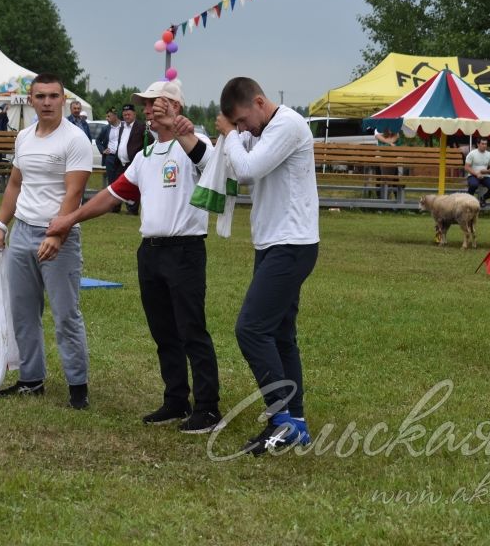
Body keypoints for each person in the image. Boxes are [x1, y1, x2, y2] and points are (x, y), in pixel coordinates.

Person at [48, 79, 223, 433]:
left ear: (175, 107)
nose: (147, 110)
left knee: (192, 329)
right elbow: (112, 195)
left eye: (154, 104)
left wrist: (180, 129)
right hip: (151, 251)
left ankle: (207, 407)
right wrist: (71, 218)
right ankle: (176, 400)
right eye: (145, 105)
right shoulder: (145, 156)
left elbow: (209, 164)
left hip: (185, 249)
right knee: (163, 331)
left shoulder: (195, 144)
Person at [214, 76, 319, 456]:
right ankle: (298, 423)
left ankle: (281, 421)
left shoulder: (288, 124)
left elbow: (246, 170)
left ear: (260, 102)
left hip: (292, 244)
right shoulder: (260, 129)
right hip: (275, 243)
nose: (243, 129)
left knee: (251, 329)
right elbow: (225, 163)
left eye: (243, 121)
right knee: (279, 335)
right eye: (237, 124)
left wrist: (229, 134)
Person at [0, 73, 92, 409]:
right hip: (21, 232)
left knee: (65, 315)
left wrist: (56, 235)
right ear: (30, 100)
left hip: (58, 235)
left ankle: (78, 387)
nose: (46, 102)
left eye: (53, 96)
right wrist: (0, 224)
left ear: (63, 99)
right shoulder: (23, 138)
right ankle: (31, 380)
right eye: (40, 96)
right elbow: (15, 185)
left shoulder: (75, 140)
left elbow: (74, 192)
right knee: (22, 312)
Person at [117, 103, 153, 215]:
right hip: (121, 162)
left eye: (128, 114)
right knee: (119, 184)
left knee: (133, 186)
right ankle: (115, 207)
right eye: (124, 115)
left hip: (133, 162)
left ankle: (132, 210)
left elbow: (150, 141)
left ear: (134, 114)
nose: (126, 116)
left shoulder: (141, 126)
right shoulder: (122, 127)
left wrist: (141, 154)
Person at [95, 107, 124, 197]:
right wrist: (103, 150)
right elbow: (98, 140)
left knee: (122, 180)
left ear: (115, 116)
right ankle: (113, 205)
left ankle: (122, 201)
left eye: (108, 116)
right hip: (110, 158)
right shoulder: (106, 129)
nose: (106, 119)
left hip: (121, 158)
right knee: (111, 181)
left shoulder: (124, 127)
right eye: (106, 116)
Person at [464, 138, 490, 207]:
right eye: (482, 144)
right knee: (473, 185)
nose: (484, 145)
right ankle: (469, 201)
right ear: (478, 144)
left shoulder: (489, 154)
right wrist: (477, 174)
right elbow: (467, 167)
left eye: (486, 144)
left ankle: (483, 198)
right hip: (473, 175)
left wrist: (486, 171)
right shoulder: (472, 153)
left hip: (485, 176)